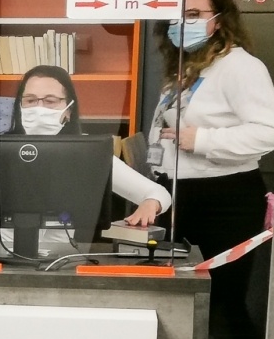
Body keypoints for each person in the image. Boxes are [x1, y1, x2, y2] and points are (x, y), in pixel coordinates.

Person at [150, 0, 274, 339]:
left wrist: (200, 141)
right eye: (175, 14)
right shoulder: (184, 68)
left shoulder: (240, 67)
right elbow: (175, 137)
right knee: (169, 304)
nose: (182, 23)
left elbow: (271, 132)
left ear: (218, 18)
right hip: (179, 195)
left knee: (229, 312)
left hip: (227, 198)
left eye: (193, 13)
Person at [9, 64, 170, 228]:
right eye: (30, 100)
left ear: (68, 110)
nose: (39, 109)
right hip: (0, 249)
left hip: (67, 251)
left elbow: (160, 193)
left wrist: (150, 203)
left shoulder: (90, 150)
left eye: (50, 101)